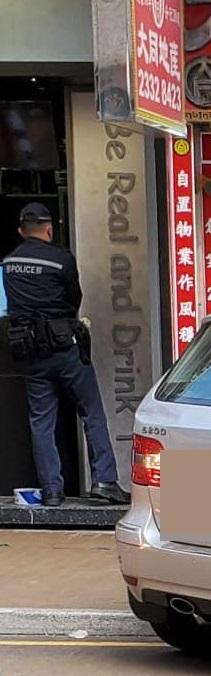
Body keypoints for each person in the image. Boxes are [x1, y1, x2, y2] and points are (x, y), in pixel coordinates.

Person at [2, 203, 129, 507]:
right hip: (65, 347)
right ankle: (105, 482)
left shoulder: (8, 263)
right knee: (91, 412)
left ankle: (52, 490)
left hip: (30, 352)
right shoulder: (61, 260)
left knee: (41, 421)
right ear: (49, 229)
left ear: (21, 230)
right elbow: (75, 297)